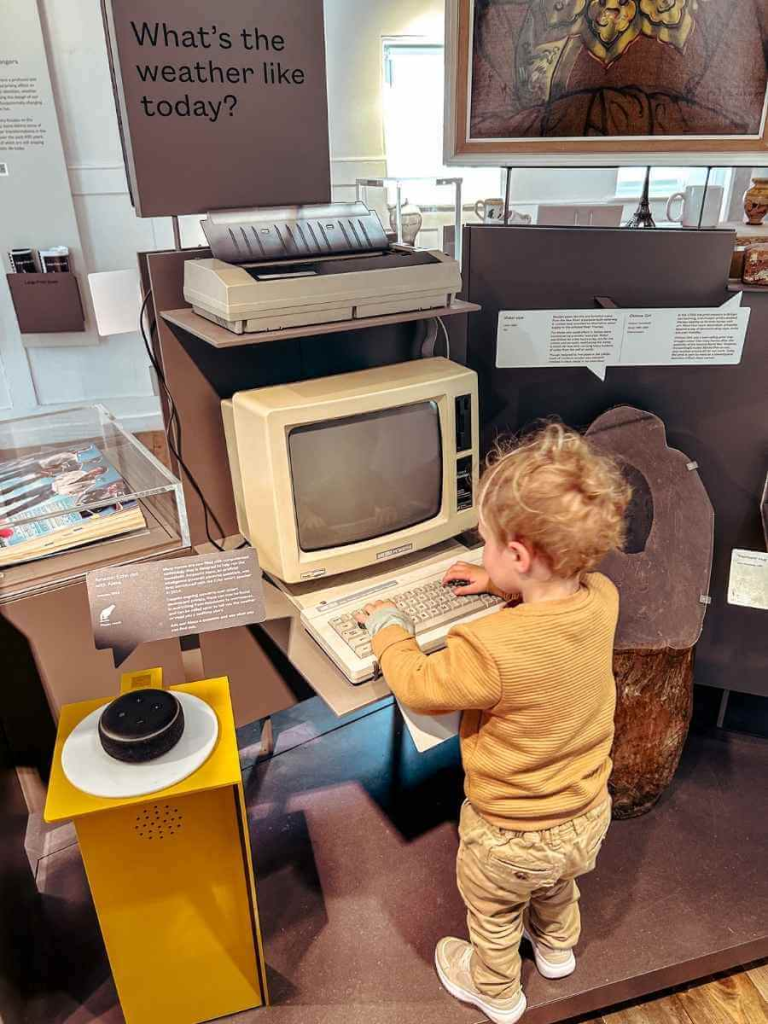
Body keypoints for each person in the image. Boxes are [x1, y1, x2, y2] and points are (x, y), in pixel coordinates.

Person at [356, 422, 631, 1024]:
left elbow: (423, 687)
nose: (481, 555)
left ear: (519, 555)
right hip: (585, 813)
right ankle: (558, 952)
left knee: (495, 912)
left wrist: (389, 630)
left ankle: (495, 990)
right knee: (559, 885)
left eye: (485, 544)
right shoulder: (604, 597)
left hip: (509, 834)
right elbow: (549, 627)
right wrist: (502, 585)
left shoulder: (490, 648)